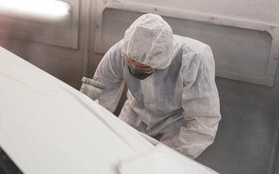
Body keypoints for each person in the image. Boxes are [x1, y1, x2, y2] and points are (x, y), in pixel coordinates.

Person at [93, 13, 221, 159]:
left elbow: (203, 119)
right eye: (131, 63)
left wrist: (173, 157)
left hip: (174, 123)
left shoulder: (194, 58)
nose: (135, 69)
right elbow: (98, 99)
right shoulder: (119, 52)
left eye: (144, 68)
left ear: (162, 61)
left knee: (162, 171)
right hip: (134, 114)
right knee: (119, 156)